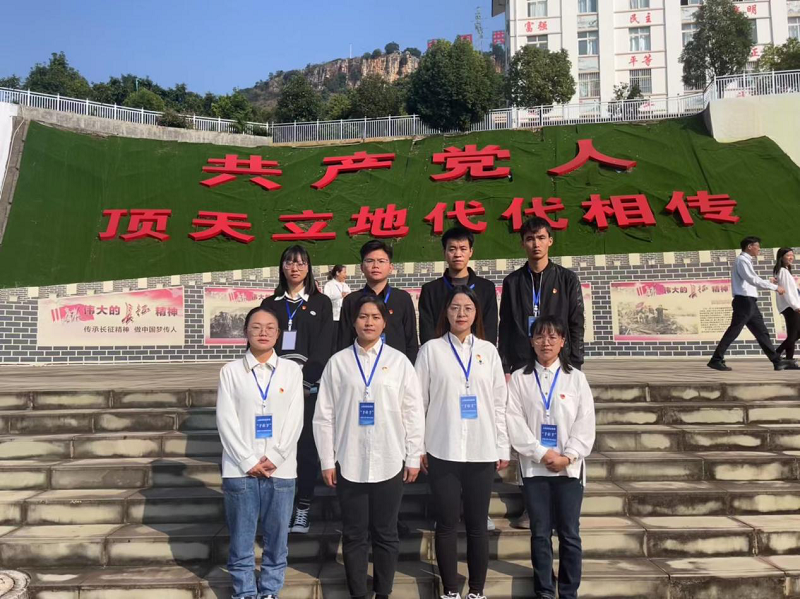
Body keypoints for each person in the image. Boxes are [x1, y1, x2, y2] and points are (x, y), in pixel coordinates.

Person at [314, 295, 425, 599]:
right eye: (363, 316)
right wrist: (327, 459)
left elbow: (413, 412)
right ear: (353, 322)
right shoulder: (338, 363)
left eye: (375, 317)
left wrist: (413, 455)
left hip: (390, 458)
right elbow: (324, 415)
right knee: (354, 534)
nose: (369, 322)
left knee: (386, 533)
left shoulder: (399, 362)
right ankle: (359, 593)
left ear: (384, 322)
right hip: (349, 460)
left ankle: (383, 592)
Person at [415, 286, 509, 599]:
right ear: (446, 312)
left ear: (476, 313)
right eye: (455, 307)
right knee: (446, 523)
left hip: (481, 449)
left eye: (468, 308)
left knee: (477, 525)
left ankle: (477, 590)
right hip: (443, 448)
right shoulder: (431, 350)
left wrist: (502, 446)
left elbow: (499, 403)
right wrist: (419, 447)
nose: (461, 314)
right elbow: (417, 402)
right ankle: (451, 589)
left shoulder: (488, 351)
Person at [498, 216, 585, 530]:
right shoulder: (513, 282)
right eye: (530, 238)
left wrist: (575, 364)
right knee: (528, 436)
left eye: (541, 237)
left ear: (550, 241)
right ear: (523, 243)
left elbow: (576, 322)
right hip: (525, 369)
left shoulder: (566, 279)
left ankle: (562, 502)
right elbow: (506, 326)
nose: (535, 244)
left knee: (560, 431)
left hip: (558, 366)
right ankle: (530, 505)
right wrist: (506, 367)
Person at [216, 306, 305, 599]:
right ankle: (244, 591)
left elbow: (295, 419)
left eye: (270, 328)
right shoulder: (230, 372)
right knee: (241, 538)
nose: (263, 333)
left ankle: (269, 590)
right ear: (246, 332)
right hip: (240, 470)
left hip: (281, 469)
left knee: (277, 538)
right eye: (256, 327)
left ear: (278, 334)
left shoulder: (291, 371)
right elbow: (225, 420)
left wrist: (276, 457)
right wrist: (248, 460)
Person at [505, 316, 596, 599]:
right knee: (540, 533)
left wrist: (568, 456)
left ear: (562, 342)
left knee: (569, 534)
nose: (546, 342)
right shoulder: (520, 379)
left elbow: (585, 422)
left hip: (569, 470)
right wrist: (542, 453)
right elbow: (514, 422)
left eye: (553, 337)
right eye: (540, 337)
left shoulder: (576, 378)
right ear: (531, 341)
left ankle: (568, 591)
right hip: (535, 470)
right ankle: (544, 590)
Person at [261, 245, 334, 534]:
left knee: (305, 449)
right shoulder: (271, 303)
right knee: (276, 446)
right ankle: (280, 507)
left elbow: (324, 346)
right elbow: (261, 343)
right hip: (275, 390)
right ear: (282, 267)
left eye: (301, 263)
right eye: (290, 262)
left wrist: (306, 381)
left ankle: (303, 507)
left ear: (309, 268)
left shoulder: (321, 303)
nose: (295, 267)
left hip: (309, 390)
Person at [708, 236, 791, 371]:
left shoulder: (746, 261)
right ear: (749, 247)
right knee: (734, 330)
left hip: (749, 302)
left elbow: (751, 280)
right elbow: (752, 279)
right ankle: (716, 359)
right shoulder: (742, 260)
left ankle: (777, 361)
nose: (759, 249)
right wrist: (774, 287)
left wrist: (768, 281)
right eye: (757, 246)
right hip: (744, 301)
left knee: (762, 332)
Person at [338, 240, 419, 363]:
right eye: (370, 261)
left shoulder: (402, 298)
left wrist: (409, 367)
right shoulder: (351, 300)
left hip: (395, 366)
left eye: (381, 261)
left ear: (390, 267)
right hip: (360, 365)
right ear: (362, 267)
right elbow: (344, 340)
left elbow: (411, 340)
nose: (375, 265)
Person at [419, 226, 499, 346]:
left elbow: (490, 329)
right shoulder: (430, 290)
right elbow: (427, 331)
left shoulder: (486, 288)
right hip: (441, 354)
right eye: (452, 249)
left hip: (476, 354)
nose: (458, 254)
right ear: (444, 252)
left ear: (471, 252)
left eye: (463, 249)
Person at [774, 247, 800, 368]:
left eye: (792, 255)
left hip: (790, 306)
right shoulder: (783, 272)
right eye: (788, 255)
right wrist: (796, 306)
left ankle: (789, 360)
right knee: (794, 334)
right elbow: (787, 291)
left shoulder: (784, 270)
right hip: (790, 307)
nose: (791, 257)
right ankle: (776, 353)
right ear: (781, 257)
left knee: (793, 334)